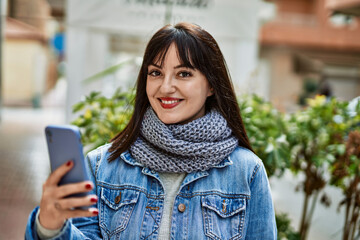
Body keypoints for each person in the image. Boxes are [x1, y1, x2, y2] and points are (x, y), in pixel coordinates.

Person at [25, 22, 277, 239]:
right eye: (156, 73)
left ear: (211, 85)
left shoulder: (247, 171)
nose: (166, 87)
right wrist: (49, 226)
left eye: (184, 73)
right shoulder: (102, 166)